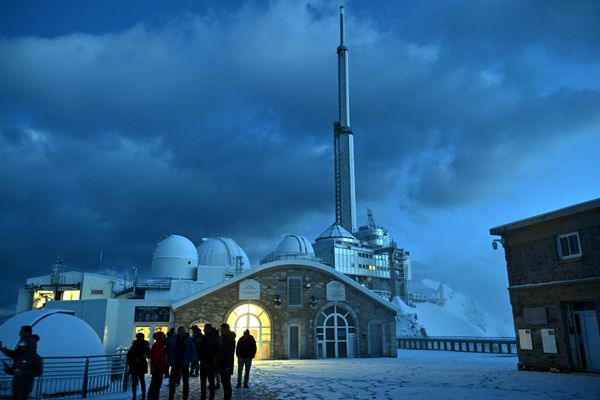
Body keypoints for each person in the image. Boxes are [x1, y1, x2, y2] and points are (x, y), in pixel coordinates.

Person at [0, 325, 39, 400]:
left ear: (26, 332)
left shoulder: (25, 342)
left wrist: (3, 349)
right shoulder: (29, 346)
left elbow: (15, 354)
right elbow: (17, 356)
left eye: (21, 332)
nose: (19, 334)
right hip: (21, 381)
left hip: (22, 382)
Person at [167, 326, 194, 400]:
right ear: (178, 332)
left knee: (185, 381)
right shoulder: (174, 339)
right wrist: (170, 360)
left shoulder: (189, 340)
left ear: (184, 331)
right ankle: (171, 396)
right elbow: (170, 350)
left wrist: (189, 360)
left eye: (182, 331)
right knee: (172, 381)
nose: (181, 332)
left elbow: (192, 351)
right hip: (175, 362)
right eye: (180, 331)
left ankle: (185, 397)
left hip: (184, 363)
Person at [127, 332, 151, 400]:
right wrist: (134, 359)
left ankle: (143, 396)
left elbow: (149, 355)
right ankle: (134, 396)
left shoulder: (145, 345)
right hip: (135, 365)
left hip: (141, 365)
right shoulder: (134, 345)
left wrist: (146, 355)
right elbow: (129, 355)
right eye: (139, 337)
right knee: (134, 382)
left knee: (142, 381)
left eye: (141, 337)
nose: (140, 338)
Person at [198, 324, 218, 400]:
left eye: (206, 328)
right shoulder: (204, 337)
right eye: (204, 329)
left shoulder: (214, 338)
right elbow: (200, 349)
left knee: (211, 380)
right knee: (203, 380)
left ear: (209, 329)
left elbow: (216, 350)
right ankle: (203, 396)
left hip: (210, 362)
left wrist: (210, 357)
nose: (204, 330)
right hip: (203, 361)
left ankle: (211, 396)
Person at [217, 323, 236, 400]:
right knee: (224, 382)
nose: (220, 330)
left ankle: (227, 398)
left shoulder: (229, 339)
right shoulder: (223, 338)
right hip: (222, 364)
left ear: (225, 329)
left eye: (222, 329)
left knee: (226, 383)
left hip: (226, 365)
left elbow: (229, 353)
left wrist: (228, 366)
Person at [147, 331, 167, 400]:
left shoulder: (160, 345)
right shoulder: (157, 345)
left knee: (156, 385)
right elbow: (155, 358)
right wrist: (158, 367)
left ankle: (153, 397)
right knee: (155, 385)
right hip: (157, 369)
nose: (165, 337)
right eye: (163, 336)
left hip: (158, 368)